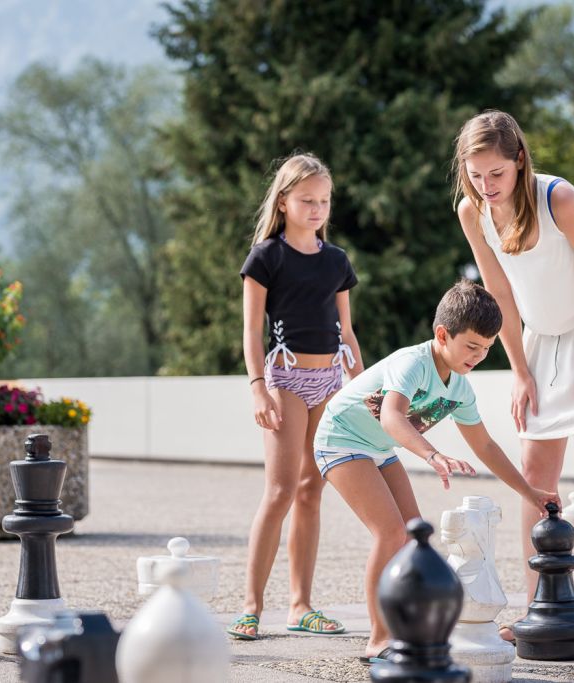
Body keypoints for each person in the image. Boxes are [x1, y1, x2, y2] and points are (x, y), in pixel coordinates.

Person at [452, 110, 574, 637]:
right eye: (475, 176)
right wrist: (520, 370)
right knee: (534, 476)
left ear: (519, 160)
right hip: (542, 338)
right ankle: (538, 609)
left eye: (496, 173)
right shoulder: (472, 212)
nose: (486, 186)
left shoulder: (559, 198)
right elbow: (499, 295)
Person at [313, 280, 559, 663]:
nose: (478, 357)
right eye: (471, 346)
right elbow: (393, 416)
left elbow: (486, 447)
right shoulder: (412, 363)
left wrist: (530, 493)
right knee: (391, 533)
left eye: (487, 349)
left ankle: (409, 627)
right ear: (442, 334)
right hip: (339, 439)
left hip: (377, 447)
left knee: (415, 538)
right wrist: (432, 455)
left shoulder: (460, 387)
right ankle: (378, 639)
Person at [229, 153, 364, 640]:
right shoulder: (265, 257)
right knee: (281, 490)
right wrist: (257, 388)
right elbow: (250, 332)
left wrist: (362, 387)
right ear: (284, 201)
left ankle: (300, 605)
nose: (316, 209)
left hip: (330, 380)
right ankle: (250, 606)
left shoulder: (337, 261)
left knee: (312, 490)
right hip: (284, 381)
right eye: (307, 200)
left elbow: (346, 332)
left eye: (324, 201)